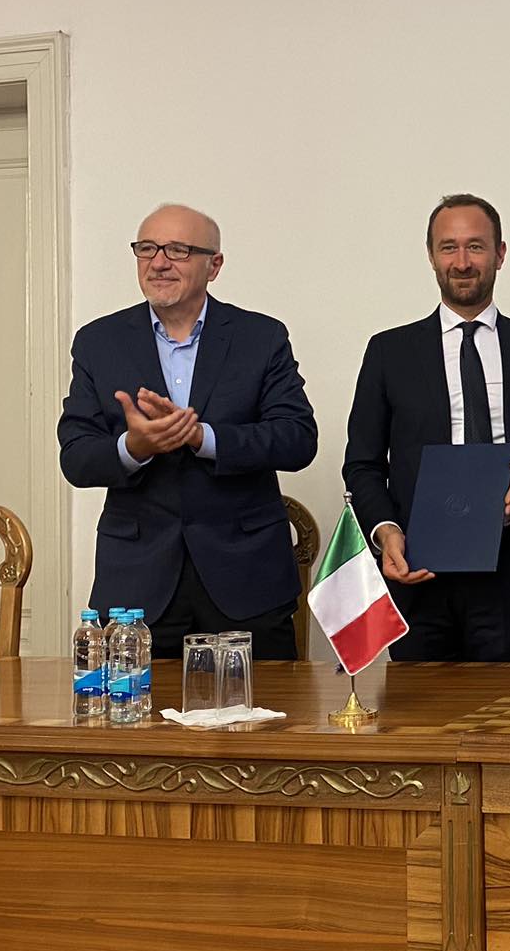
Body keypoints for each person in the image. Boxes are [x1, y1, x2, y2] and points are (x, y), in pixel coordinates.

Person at [58, 204, 317, 660]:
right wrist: (133, 447)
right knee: (137, 706)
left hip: (246, 579)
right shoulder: (99, 341)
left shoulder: (260, 337)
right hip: (137, 587)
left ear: (213, 265)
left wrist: (202, 438)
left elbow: (297, 438)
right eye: (147, 249)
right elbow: (76, 457)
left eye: (178, 250)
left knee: (262, 706)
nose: (158, 262)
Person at [343, 194, 510, 662]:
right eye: (448, 247)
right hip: (417, 569)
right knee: (419, 709)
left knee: (506, 708)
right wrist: (387, 531)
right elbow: (363, 464)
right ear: (431, 256)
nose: (462, 262)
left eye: (475, 246)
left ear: (500, 254)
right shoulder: (389, 352)